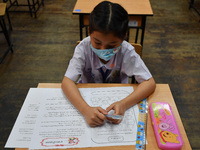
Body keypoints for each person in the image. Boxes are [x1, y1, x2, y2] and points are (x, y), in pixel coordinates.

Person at [62, 1, 156, 127]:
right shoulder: (83, 48)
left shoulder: (126, 51)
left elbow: (149, 83)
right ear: (89, 31)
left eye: (111, 46)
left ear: (124, 37)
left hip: (118, 100)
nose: (103, 50)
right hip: (86, 100)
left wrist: (124, 104)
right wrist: (85, 110)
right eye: (97, 42)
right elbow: (67, 82)